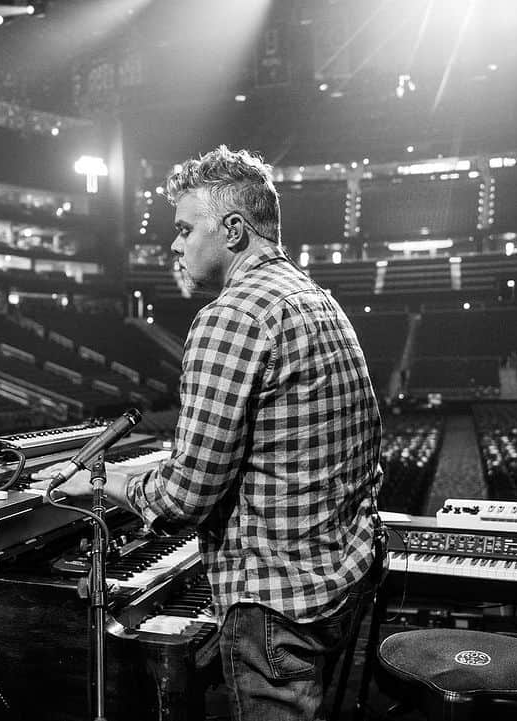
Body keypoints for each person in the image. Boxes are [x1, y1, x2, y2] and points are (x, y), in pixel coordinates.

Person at [58, 145, 383, 721]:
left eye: (185, 229)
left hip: (274, 603)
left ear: (233, 229)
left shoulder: (231, 315)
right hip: (337, 580)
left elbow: (187, 497)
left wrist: (103, 483)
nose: (176, 246)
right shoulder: (318, 300)